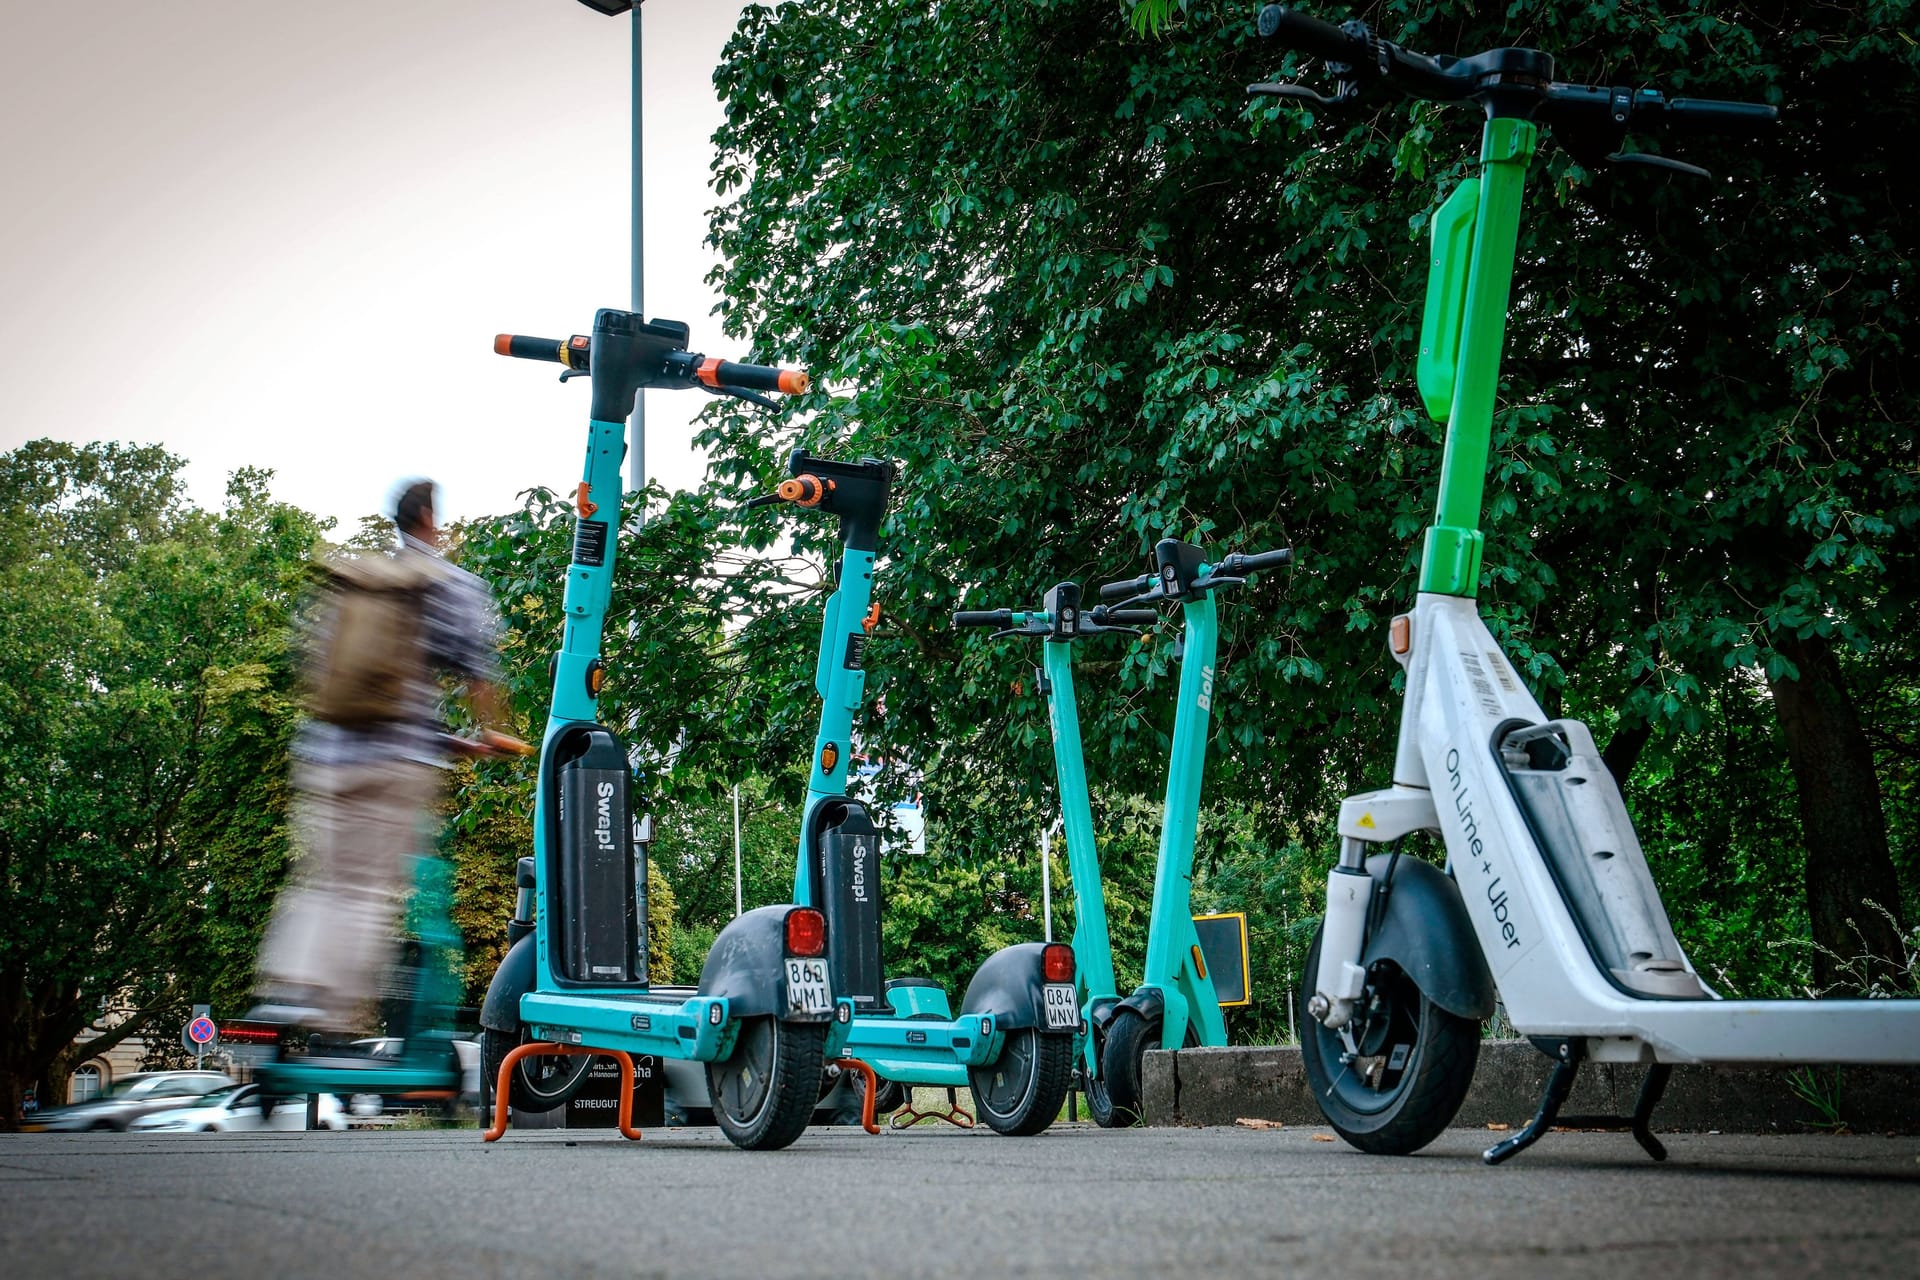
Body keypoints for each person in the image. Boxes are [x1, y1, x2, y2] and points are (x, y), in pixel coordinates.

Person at [250, 479, 523, 1041]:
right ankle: (328, 1015)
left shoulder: (358, 580)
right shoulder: (448, 585)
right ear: (426, 515)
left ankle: (286, 992)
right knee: (367, 889)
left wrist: (448, 742)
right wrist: (492, 733)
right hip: (393, 763)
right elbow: (476, 670)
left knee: (323, 880)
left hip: (326, 751)